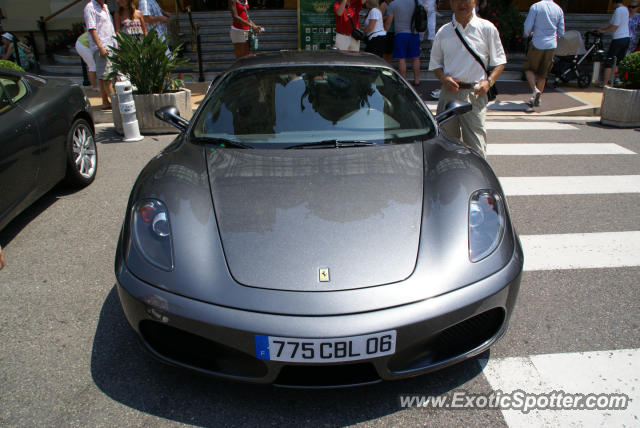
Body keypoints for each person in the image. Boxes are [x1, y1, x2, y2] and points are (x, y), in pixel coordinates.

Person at [428, 0, 506, 157]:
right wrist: (443, 78)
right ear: (451, 3)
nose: (461, 4)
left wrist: (489, 82)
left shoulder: (487, 29)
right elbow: (435, 65)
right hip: (449, 94)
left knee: (476, 148)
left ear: (474, 1)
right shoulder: (443, 32)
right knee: (446, 145)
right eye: (457, 0)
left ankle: (477, 180)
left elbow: (499, 62)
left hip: (475, 94)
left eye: (466, 0)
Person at [522, 0, 564, 108]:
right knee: (543, 73)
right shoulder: (558, 9)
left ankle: (535, 90)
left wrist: (528, 34)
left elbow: (527, 26)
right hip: (551, 45)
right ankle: (538, 99)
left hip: (537, 42)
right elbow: (561, 31)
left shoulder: (536, 7)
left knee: (528, 69)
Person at [84, 0, 117, 110]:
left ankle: (106, 101)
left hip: (110, 44)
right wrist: (100, 47)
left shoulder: (105, 7)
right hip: (102, 46)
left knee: (104, 76)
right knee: (106, 76)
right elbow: (91, 28)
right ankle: (112, 102)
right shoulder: (90, 7)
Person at [386, 0, 421, 85]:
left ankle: (403, 80)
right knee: (416, 58)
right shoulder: (416, 2)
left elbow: (389, 22)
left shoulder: (393, 4)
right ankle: (417, 80)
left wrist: (384, 31)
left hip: (400, 34)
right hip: (414, 33)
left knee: (401, 59)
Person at [598, 0, 630, 87]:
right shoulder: (625, 9)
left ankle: (605, 83)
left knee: (609, 61)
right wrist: (601, 28)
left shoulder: (618, 10)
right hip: (626, 37)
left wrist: (603, 31)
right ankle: (616, 81)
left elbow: (614, 26)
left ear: (614, 3)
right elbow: (611, 23)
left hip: (618, 39)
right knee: (618, 61)